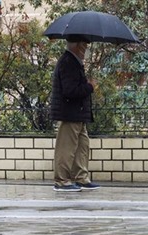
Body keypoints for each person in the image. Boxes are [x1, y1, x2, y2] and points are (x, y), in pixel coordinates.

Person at [50, 35, 99, 192]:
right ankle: (61, 181)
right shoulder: (68, 62)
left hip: (78, 114)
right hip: (70, 114)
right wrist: (90, 87)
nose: (86, 49)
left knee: (82, 147)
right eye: (85, 45)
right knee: (66, 148)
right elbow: (70, 90)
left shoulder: (75, 63)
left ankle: (81, 177)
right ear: (77, 46)